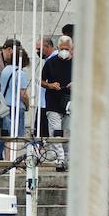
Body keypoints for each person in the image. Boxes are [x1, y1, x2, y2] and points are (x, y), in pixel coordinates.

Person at [41, 35, 72, 170]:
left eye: (67, 49)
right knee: (56, 132)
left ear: (71, 49)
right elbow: (42, 81)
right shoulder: (50, 62)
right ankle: (60, 160)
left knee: (67, 132)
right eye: (62, 48)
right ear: (58, 48)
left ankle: (67, 159)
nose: (64, 51)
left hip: (70, 103)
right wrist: (51, 85)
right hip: (53, 102)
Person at [0, 47, 30, 163]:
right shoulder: (21, 73)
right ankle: (15, 163)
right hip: (16, 107)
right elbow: (23, 94)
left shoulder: (5, 70)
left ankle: (8, 161)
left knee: (8, 136)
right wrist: (28, 105)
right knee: (17, 137)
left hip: (4, 107)